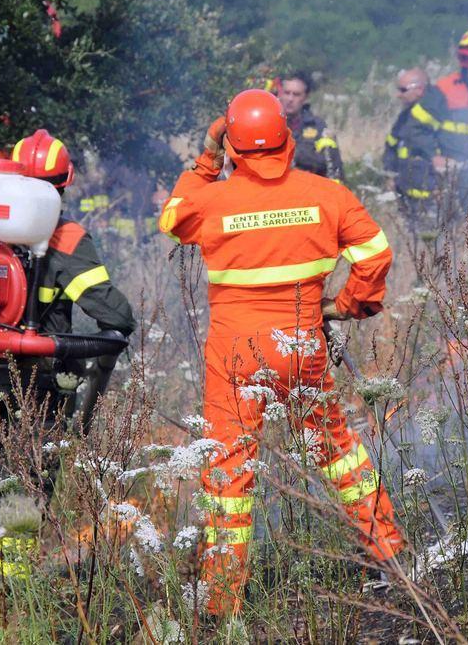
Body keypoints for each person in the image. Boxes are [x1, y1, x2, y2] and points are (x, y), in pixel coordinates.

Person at [160, 90, 403, 616]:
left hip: (233, 352)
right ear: (288, 141)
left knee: (228, 469)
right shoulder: (327, 193)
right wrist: (349, 305)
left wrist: (207, 157)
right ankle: (387, 549)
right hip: (302, 343)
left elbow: (172, 219)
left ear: (233, 149)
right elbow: (377, 254)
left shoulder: (212, 200)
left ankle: (222, 598)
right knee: (338, 450)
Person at [0, 129, 136, 581]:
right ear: (65, 183)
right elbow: (113, 312)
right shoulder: (64, 237)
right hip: (42, 384)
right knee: (28, 481)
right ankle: (14, 589)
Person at [407, 24, 468, 209]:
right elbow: (414, 128)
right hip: (449, 179)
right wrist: (434, 157)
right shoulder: (443, 91)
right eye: (465, 60)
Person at [383, 68, 436, 211]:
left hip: (431, 195)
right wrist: (390, 175)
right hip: (405, 191)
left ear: (419, 89)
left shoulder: (437, 114)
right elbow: (391, 147)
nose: (399, 95)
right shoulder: (404, 117)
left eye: (403, 90)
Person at [278, 72, 345, 181]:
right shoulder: (267, 124)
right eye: (287, 93)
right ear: (280, 94)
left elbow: (333, 167)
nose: (290, 99)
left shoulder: (318, 127)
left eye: (296, 94)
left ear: (305, 97)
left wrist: (297, 155)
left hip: (307, 190)